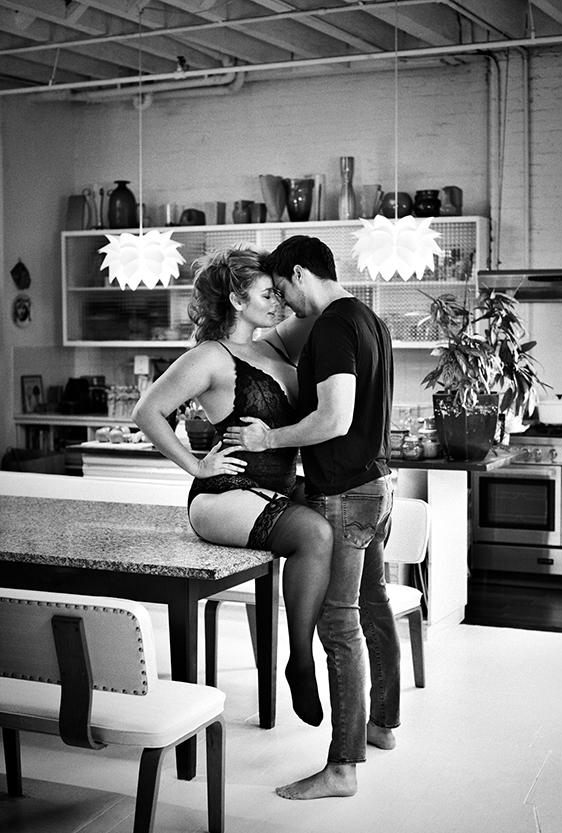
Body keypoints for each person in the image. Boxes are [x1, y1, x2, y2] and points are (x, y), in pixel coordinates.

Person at [224, 235, 398, 800]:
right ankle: (381, 726)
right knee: (373, 607)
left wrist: (267, 438)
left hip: (346, 494)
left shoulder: (331, 326)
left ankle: (342, 768)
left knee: (339, 626)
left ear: (300, 273)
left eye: (282, 288)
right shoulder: (370, 319)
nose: (284, 301)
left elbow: (335, 419)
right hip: (377, 485)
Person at [132, 245, 333, 728]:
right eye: (267, 294)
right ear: (237, 300)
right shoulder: (209, 357)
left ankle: (330, 645)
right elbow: (146, 411)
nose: (279, 302)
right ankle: (300, 661)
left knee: (339, 509)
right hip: (224, 493)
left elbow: (321, 306)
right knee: (314, 533)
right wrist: (195, 466)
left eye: (278, 293)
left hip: (275, 486)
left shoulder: (275, 344)